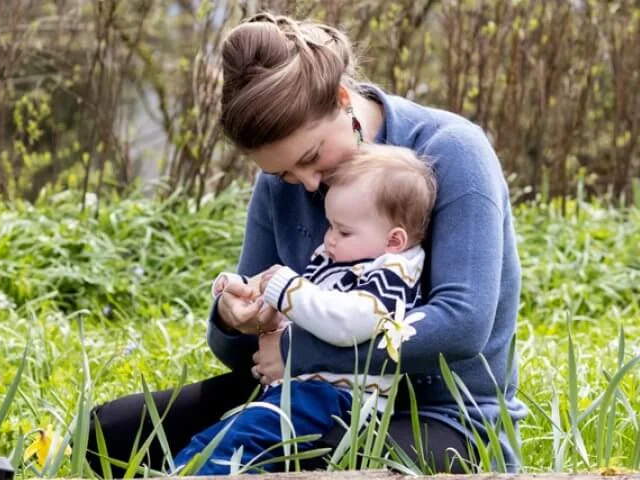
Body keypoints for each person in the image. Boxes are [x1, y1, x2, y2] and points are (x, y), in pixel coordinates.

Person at [87, 12, 527, 475]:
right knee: (112, 432)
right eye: (284, 174)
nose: (309, 184)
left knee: (285, 459)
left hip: (442, 419)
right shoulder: (282, 185)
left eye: (312, 157)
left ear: (342, 99)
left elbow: (463, 324)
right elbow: (243, 356)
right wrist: (233, 319)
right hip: (306, 395)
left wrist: (300, 351)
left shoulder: (451, 150)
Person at [171, 144, 437, 474]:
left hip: (339, 400)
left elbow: (350, 322)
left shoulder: (390, 273)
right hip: (306, 391)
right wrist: (253, 296)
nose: (329, 239)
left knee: (242, 442)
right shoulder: (346, 261)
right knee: (227, 437)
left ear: (394, 241)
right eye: (329, 225)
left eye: (343, 230)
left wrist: (289, 291)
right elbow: (311, 313)